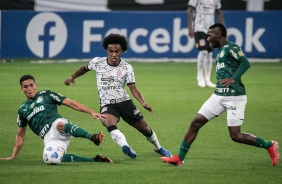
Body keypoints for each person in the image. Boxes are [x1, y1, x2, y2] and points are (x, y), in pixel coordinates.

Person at [161, 23, 280, 166]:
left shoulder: (231, 47)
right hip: (219, 96)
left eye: (209, 35)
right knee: (196, 122)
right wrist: (219, 106)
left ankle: (270, 145)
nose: (207, 38)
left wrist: (233, 78)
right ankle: (179, 158)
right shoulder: (219, 52)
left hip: (235, 96)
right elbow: (222, 78)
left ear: (218, 35)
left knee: (235, 136)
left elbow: (245, 63)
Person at [64, 34, 172, 159]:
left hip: (125, 102)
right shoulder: (97, 62)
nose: (114, 54)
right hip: (107, 104)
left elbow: (133, 88)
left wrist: (143, 103)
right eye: (111, 51)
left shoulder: (127, 67)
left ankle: (158, 148)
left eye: (117, 51)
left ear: (122, 51)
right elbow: (84, 68)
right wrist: (72, 77)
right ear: (106, 50)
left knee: (145, 129)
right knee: (108, 122)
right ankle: (125, 146)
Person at [0, 74, 112, 164]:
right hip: (49, 138)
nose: (29, 89)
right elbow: (20, 135)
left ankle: (93, 137)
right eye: (25, 87)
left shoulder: (47, 95)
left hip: (57, 125)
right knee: (51, 159)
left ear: (36, 85)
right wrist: (13, 156)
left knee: (59, 125)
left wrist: (91, 112)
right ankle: (95, 160)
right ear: (21, 89)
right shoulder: (22, 110)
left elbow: (71, 103)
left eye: (31, 85)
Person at [187, 0, 225, 87]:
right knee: (203, 51)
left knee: (209, 53)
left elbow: (219, 12)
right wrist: (190, 27)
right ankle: (199, 76)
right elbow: (190, 10)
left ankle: (207, 79)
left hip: (211, 29)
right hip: (199, 27)